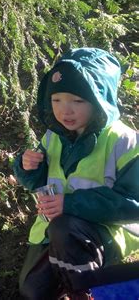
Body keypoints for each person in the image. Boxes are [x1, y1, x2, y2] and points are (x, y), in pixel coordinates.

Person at [13, 48, 139, 299]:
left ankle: (87, 290)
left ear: (99, 100)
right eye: (57, 100)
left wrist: (69, 204)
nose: (65, 111)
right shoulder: (54, 135)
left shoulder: (124, 140)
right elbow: (38, 182)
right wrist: (26, 167)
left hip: (106, 232)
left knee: (64, 229)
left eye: (77, 101)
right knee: (32, 291)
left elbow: (132, 204)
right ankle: (70, 276)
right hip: (58, 232)